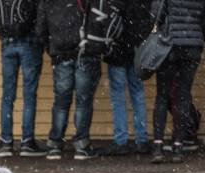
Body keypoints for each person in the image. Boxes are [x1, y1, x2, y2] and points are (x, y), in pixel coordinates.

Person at [37, 0, 103, 160]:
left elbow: (41, 28)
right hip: (84, 52)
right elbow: (98, 20)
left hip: (60, 54)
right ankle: (81, 145)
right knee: (83, 100)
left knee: (61, 101)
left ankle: (55, 144)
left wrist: (52, 48)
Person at [0, 0, 48, 157]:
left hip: (7, 43)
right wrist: (41, 39)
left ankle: (5, 142)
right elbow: (39, 18)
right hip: (29, 44)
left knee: (7, 95)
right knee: (29, 94)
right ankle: (27, 142)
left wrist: (6, 36)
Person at [151, 0, 205, 163]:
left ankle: (158, 147)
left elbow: (156, 15)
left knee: (162, 95)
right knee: (183, 96)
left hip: (169, 46)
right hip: (192, 47)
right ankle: (178, 146)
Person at [103, 0, 153, 156]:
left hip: (117, 51)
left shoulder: (114, 2)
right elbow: (148, 22)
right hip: (136, 51)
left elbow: (107, 21)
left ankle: (121, 141)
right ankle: (142, 139)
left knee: (118, 96)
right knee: (137, 93)